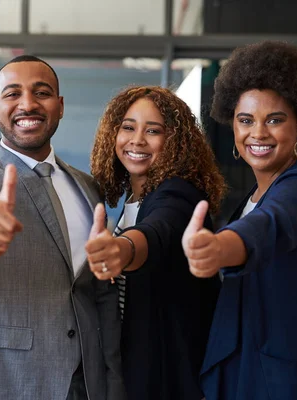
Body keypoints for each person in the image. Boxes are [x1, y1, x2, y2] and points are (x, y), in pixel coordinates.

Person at [0, 55, 125, 400]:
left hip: (84, 383)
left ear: (60, 106)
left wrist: (111, 380)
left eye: (42, 92)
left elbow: (96, 291)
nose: (28, 104)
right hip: (1, 379)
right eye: (12, 94)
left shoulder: (86, 186)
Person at [182, 41, 297, 399]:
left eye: (274, 120)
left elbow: (270, 228)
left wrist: (218, 247)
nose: (258, 133)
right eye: (245, 120)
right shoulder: (254, 195)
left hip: (285, 382)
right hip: (244, 369)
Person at [87, 86, 226, 399]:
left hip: (169, 378)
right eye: (128, 127)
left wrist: (121, 250)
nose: (137, 140)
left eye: (153, 131)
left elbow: (158, 232)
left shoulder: (179, 194)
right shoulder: (134, 199)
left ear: (175, 142)